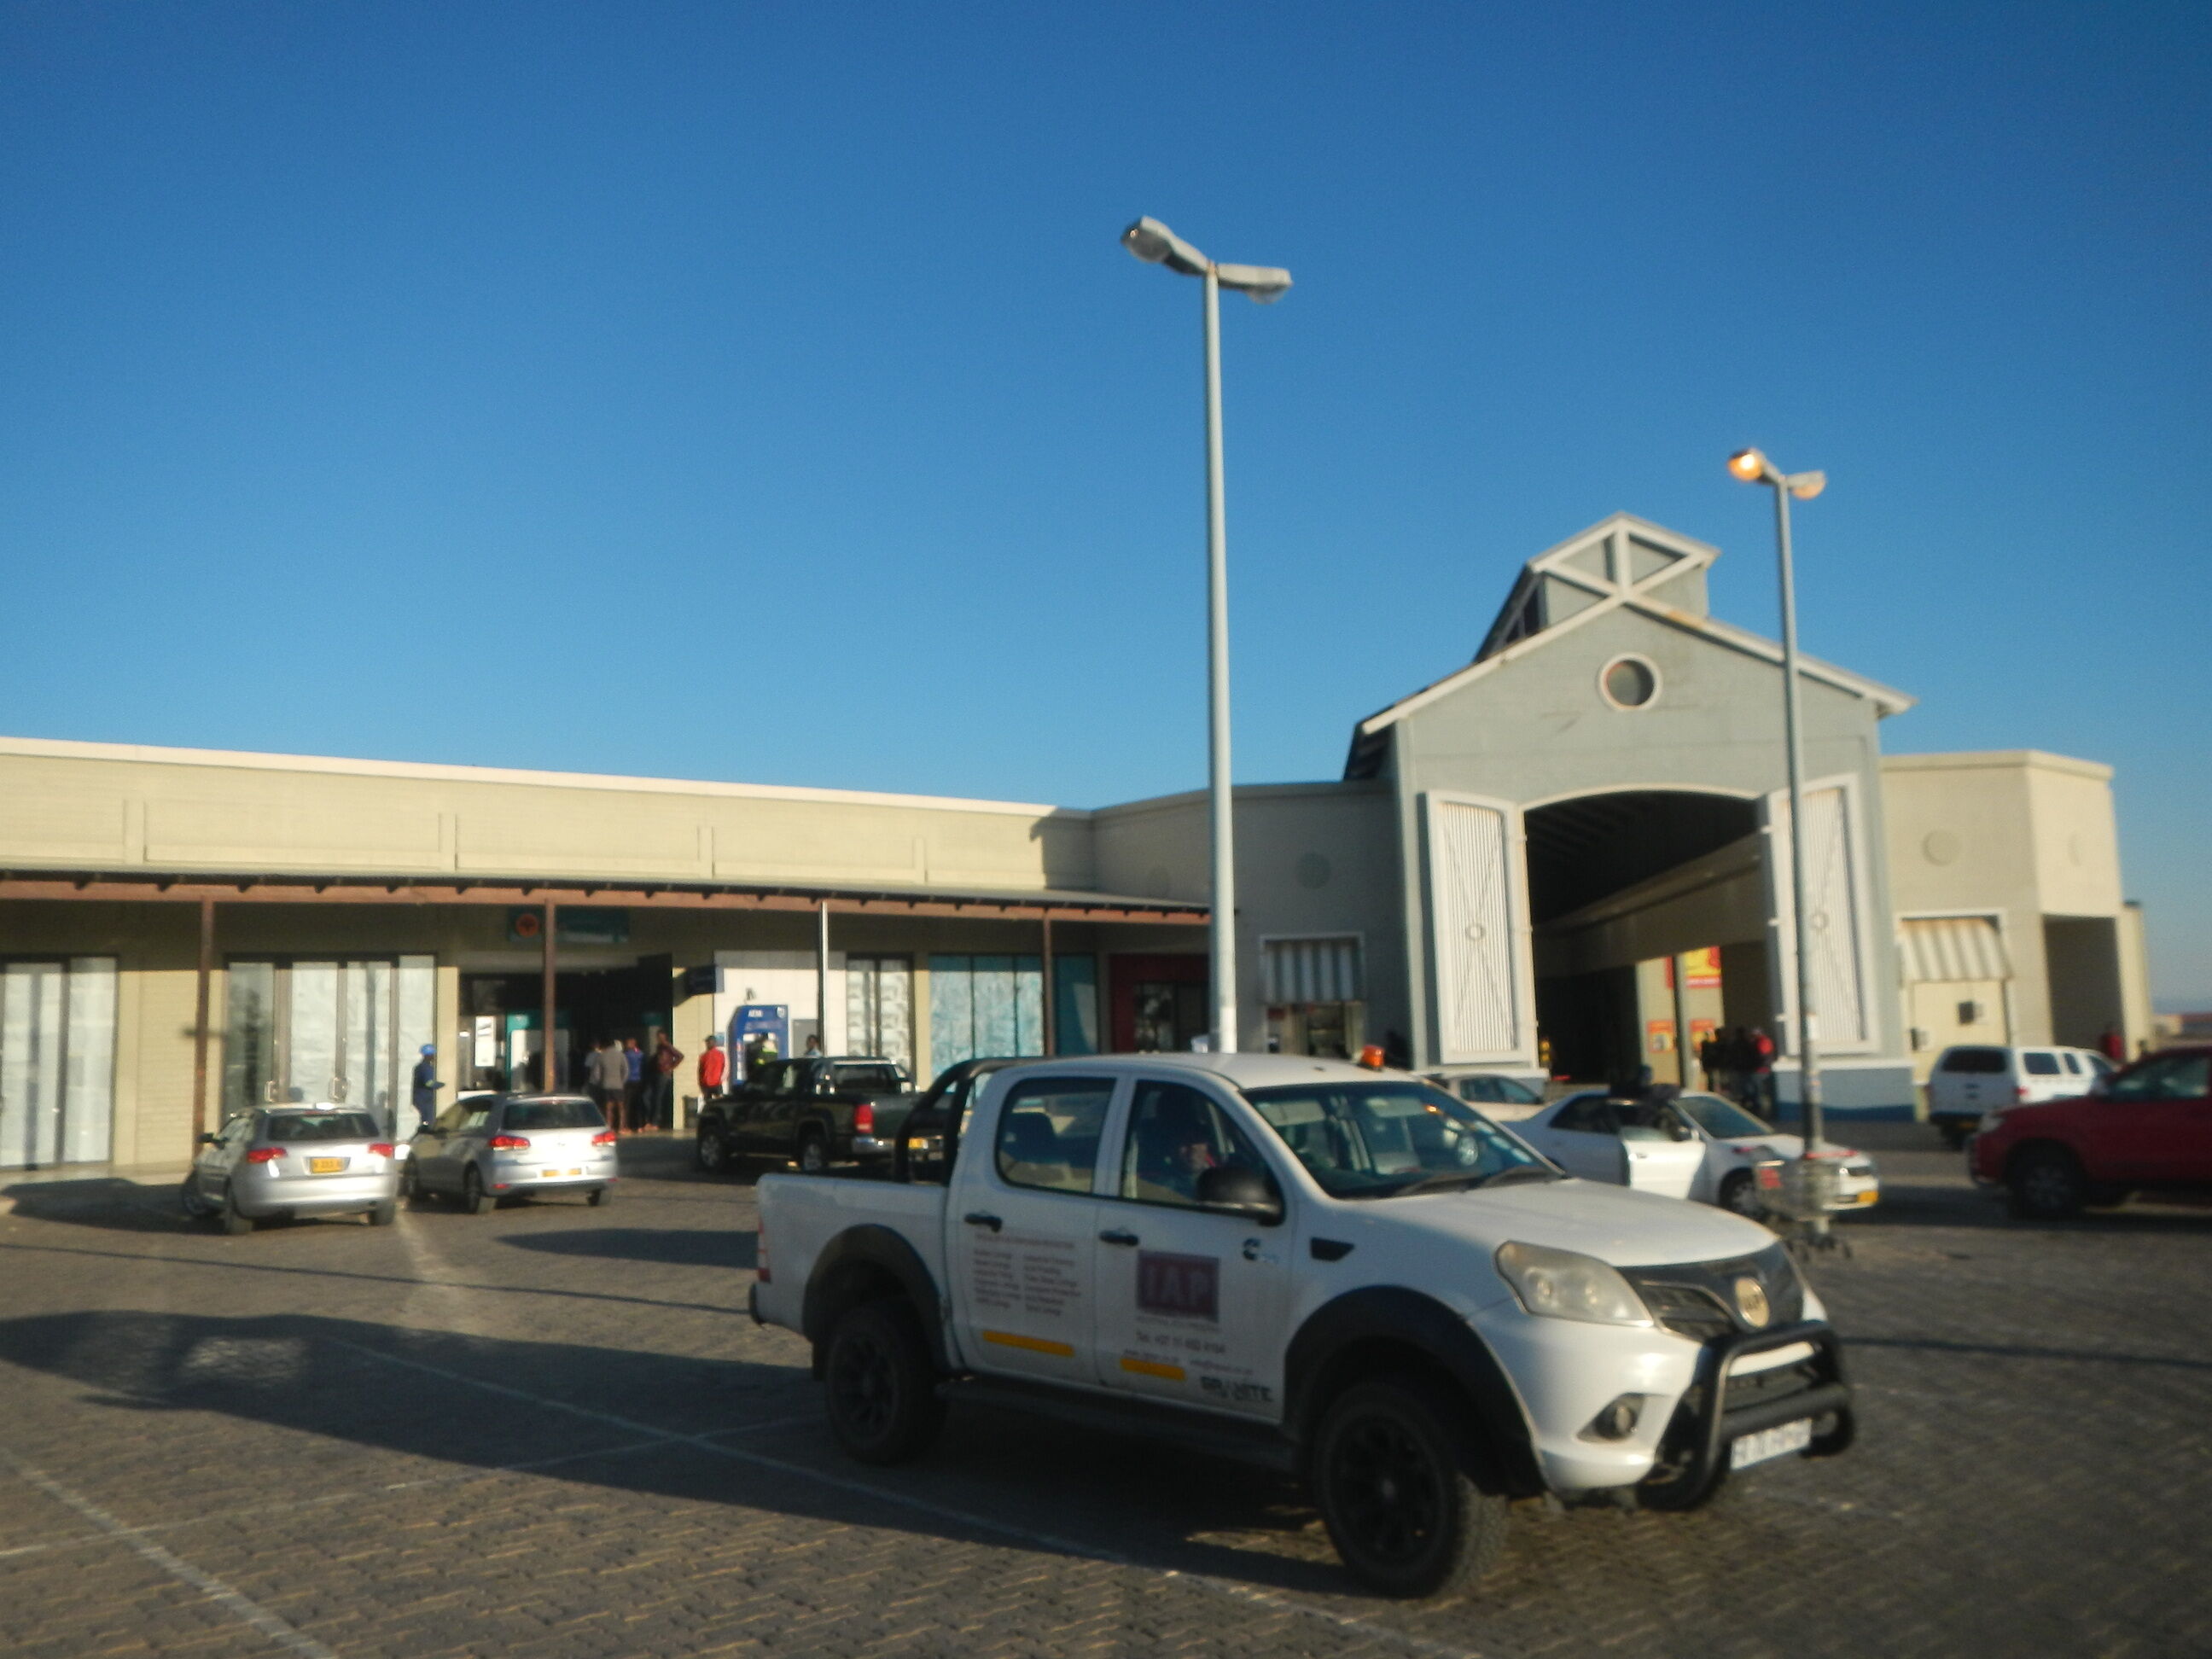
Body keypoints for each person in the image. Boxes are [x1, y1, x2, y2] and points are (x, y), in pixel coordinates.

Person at [586, 1038, 627, 1132]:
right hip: (618, 1085)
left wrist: (600, 1082)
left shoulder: (601, 1056)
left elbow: (596, 1073)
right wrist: (622, 1081)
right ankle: (621, 1127)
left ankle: (609, 1126)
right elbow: (626, 1070)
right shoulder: (621, 1055)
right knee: (621, 1107)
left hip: (606, 1085)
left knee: (608, 1107)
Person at [649, 1029, 684, 1132]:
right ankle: (654, 1121)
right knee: (655, 1097)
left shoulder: (667, 1046)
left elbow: (680, 1056)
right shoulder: (659, 1047)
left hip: (664, 1074)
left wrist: (671, 1068)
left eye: (661, 1037)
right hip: (658, 1073)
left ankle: (656, 1122)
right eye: (658, 1037)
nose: (659, 1039)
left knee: (658, 1098)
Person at [410, 1044, 443, 1138]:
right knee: (429, 1122)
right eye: (433, 1054)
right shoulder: (427, 1068)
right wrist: (440, 1085)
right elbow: (428, 1083)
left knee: (425, 1120)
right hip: (425, 1099)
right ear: (430, 1055)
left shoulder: (419, 1067)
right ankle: (425, 1137)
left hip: (420, 1098)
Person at [621, 1037, 645, 1133]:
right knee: (638, 1103)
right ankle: (640, 1126)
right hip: (638, 1080)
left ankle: (627, 1126)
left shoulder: (625, 1055)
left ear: (632, 1044)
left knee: (627, 1104)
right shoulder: (640, 1054)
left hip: (628, 1081)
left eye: (627, 1043)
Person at [698, 1033, 727, 1102]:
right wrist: (701, 1083)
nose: (707, 1044)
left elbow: (724, 1068)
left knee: (717, 1102)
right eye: (707, 1042)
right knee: (715, 1102)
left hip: (715, 1083)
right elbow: (700, 1071)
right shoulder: (704, 1056)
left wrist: (722, 1078)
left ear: (714, 1043)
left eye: (708, 1042)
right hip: (708, 1083)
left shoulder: (720, 1054)